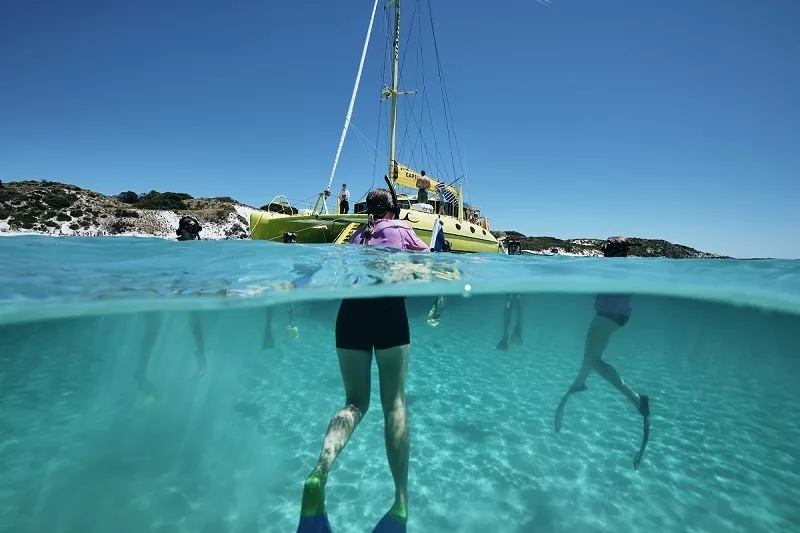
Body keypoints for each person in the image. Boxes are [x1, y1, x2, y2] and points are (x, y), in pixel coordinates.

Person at [297, 177, 428, 533]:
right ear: (393, 209)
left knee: (354, 403)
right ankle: (400, 500)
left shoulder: (357, 237)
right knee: (395, 405)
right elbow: (429, 263)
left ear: (367, 212)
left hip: (350, 313)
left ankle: (320, 471)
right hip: (387, 310)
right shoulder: (402, 230)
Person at [553, 236, 650, 470]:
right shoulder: (623, 268)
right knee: (591, 357)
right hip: (615, 316)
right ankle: (579, 382)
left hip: (607, 316)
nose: (604, 250)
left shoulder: (614, 267)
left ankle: (637, 401)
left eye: (608, 247)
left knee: (592, 358)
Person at [496, 239, 523, 351]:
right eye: (511, 247)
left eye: (515, 247)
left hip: (516, 292)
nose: (513, 249)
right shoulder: (506, 260)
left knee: (517, 311)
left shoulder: (520, 261)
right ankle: (507, 336)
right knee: (510, 310)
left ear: (519, 249)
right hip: (510, 292)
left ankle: (513, 333)